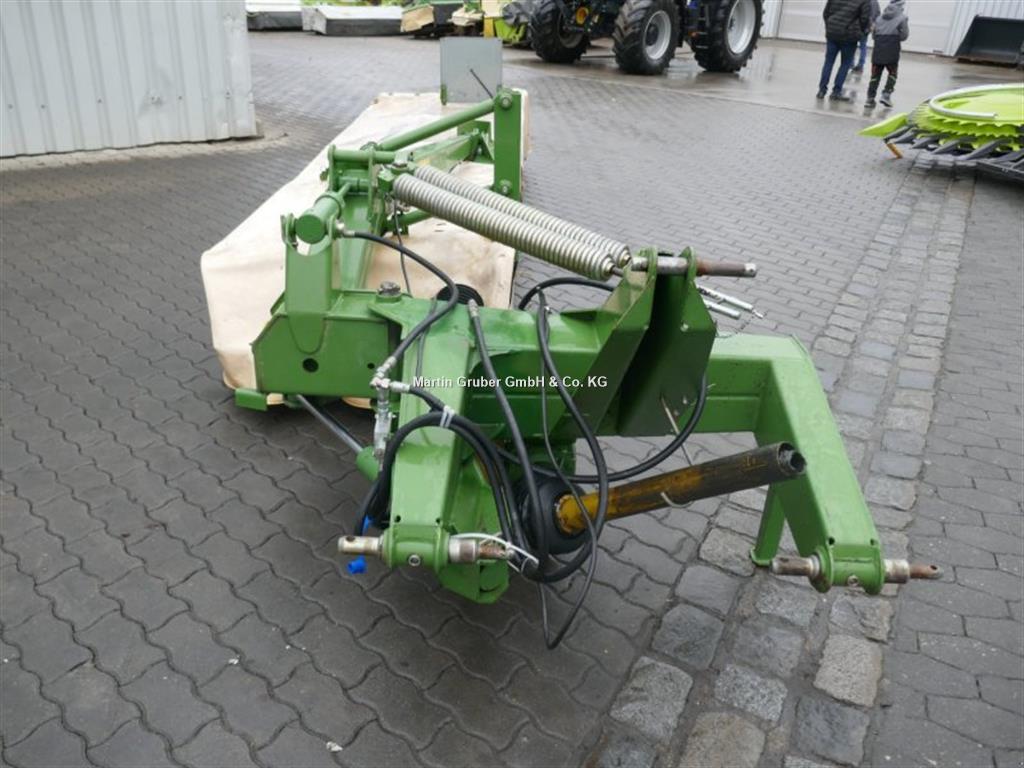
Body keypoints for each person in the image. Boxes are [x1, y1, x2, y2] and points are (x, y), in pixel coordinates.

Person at [817, 0, 873, 101]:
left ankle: (821, 90)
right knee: (845, 64)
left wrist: (829, 26)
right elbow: (864, 19)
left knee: (828, 62)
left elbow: (826, 13)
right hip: (849, 36)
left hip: (832, 33)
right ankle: (836, 92)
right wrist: (862, 32)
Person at [865, 0, 909, 108]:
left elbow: (874, 35)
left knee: (875, 74)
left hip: (878, 48)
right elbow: (904, 36)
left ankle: (870, 98)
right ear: (901, 5)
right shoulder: (902, 18)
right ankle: (886, 94)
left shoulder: (879, 18)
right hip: (892, 48)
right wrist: (895, 36)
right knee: (892, 73)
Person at [852, 0, 881, 72]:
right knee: (863, 46)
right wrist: (873, 25)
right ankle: (861, 65)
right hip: (867, 28)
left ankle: (851, 63)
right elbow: (878, 15)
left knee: (852, 45)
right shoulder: (875, 2)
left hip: (858, 26)